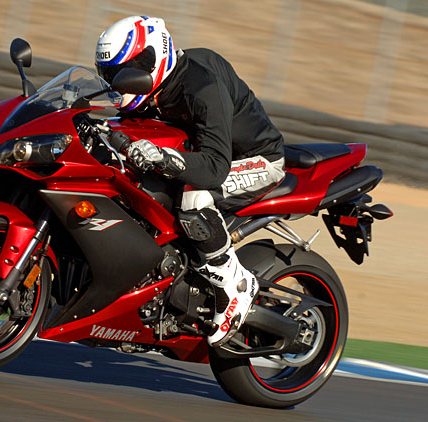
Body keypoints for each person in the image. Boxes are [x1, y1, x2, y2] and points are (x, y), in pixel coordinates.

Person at [95, 16, 285, 348]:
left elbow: (215, 168)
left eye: (126, 72)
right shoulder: (156, 88)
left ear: (151, 59)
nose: (120, 83)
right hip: (204, 156)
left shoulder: (202, 87)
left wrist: (163, 158)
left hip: (255, 159)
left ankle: (234, 284)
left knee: (194, 200)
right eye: (110, 75)